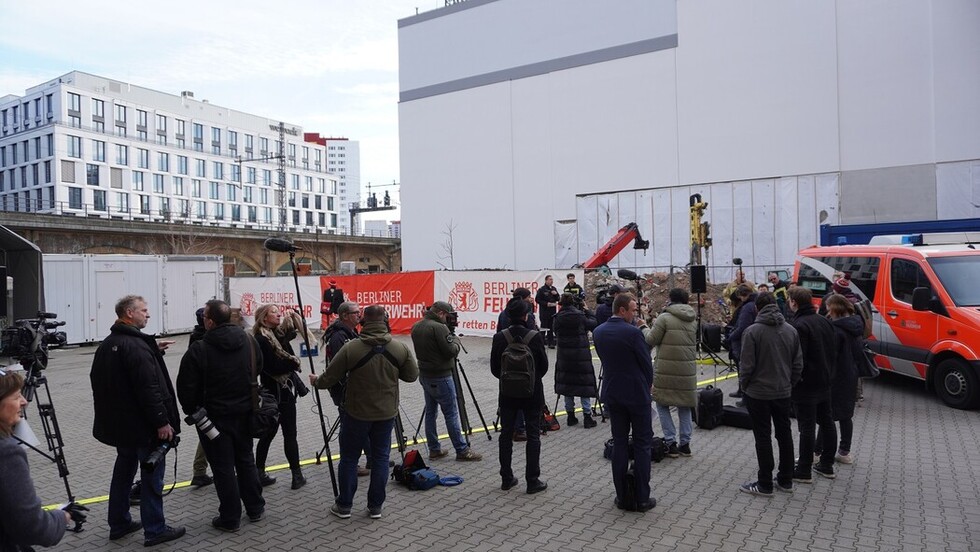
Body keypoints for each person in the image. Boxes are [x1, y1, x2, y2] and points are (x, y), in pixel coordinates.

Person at [90, 295, 185, 546]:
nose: (148, 314)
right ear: (129, 313)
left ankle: (119, 523)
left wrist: (153, 352)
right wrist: (162, 422)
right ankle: (155, 529)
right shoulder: (135, 347)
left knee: (123, 474)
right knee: (152, 476)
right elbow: (148, 389)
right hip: (144, 427)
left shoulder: (109, 344)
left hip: (123, 428)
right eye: (144, 310)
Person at [310, 305, 419, 519]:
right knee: (380, 458)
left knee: (349, 458)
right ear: (385, 321)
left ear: (363, 322)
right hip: (386, 413)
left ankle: (344, 506)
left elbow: (330, 377)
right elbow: (412, 376)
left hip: (356, 413)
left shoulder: (352, 348)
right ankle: (375, 506)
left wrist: (316, 382)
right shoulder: (399, 348)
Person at [176, 300, 266, 532]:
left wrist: (194, 411)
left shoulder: (199, 348)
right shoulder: (249, 340)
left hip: (214, 419)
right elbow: (259, 368)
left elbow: (186, 388)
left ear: (209, 321)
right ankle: (255, 508)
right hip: (245, 413)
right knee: (245, 459)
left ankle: (229, 517)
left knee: (223, 467)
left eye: (205, 316)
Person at [0, 369, 77, 551]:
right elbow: (31, 527)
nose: (25, 402)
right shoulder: (6, 452)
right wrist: (62, 517)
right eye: (17, 396)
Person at [592, 294, 655, 512]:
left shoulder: (598, 332)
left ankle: (622, 496)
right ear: (621, 311)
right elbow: (646, 364)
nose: (635, 314)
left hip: (613, 393)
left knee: (619, 443)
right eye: (633, 310)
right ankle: (642, 497)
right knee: (642, 444)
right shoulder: (633, 333)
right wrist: (648, 385)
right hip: (636, 394)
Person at [738, 293, 803, 497]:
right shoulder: (791, 330)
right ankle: (786, 479)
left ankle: (765, 482)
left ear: (757, 308)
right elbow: (798, 364)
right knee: (784, 435)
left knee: (763, 436)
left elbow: (746, 365)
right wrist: (788, 384)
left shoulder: (752, 332)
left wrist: (744, 386)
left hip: (758, 393)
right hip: (783, 392)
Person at [491, 300, 549, 494]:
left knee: (506, 435)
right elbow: (543, 367)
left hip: (507, 394)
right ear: (526, 316)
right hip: (532, 394)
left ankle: (506, 478)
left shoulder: (500, 337)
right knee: (533, 435)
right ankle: (532, 480)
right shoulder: (534, 337)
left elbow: (494, 369)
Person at [412, 301, 482, 461]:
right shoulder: (439, 328)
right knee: (451, 413)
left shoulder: (417, 325)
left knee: (430, 413)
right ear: (442, 313)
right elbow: (450, 351)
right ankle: (462, 449)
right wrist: (455, 340)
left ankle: (434, 448)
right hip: (441, 375)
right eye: (448, 316)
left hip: (425, 374)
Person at [252, 304, 307, 489]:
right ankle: (259, 472)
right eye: (273, 312)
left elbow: (290, 342)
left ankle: (296, 475)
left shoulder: (277, 335)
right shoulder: (261, 339)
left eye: (278, 311)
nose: (278, 315)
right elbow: (272, 366)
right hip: (273, 393)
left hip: (283, 391)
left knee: (288, 434)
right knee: (271, 433)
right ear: (264, 318)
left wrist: (295, 318)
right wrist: (291, 364)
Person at [786, 286, 838, 483]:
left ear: (794, 302)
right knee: (827, 422)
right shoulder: (825, 321)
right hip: (825, 380)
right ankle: (826, 464)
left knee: (806, 426)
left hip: (806, 383)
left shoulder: (799, 325)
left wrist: (794, 381)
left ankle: (804, 469)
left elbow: (799, 358)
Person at [644, 288, 698, 458]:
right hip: (687, 370)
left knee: (662, 403)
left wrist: (643, 327)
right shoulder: (692, 319)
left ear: (670, 299)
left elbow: (651, 339)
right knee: (685, 404)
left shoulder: (664, 318)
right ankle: (685, 444)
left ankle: (671, 442)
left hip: (666, 370)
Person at [321, 301, 371, 477]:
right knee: (349, 428)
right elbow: (339, 366)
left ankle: (373, 457)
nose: (359, 315)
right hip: (344, 390)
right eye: (356, 312)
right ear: (344, 316)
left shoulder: (350, 332)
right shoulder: (338, 337)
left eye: (359, 312)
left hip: (353, 388)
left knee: (362, 425)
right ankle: (351, 463)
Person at [821, 294, 862, 465]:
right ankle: (844, 452)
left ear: (835, 308)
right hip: (851, 374)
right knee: (845, 415)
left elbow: (831, 356)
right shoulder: (856, 324)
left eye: (828, 307)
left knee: (826, 415)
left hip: (836, 376)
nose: (826, 311)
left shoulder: (836, 330)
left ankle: (817, 451)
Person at [552, 292, 598, 428]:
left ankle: (570, 416)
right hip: (581, 355)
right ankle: (587, 416)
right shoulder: (580, 316)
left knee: (567, 386)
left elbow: (555, 332)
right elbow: (594, 324)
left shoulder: (558, 317)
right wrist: (587, 310)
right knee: (584, 385)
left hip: (565, 356)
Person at [188, 307, 213, 489]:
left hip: (200, 395)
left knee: (208, 432)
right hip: (210, 395)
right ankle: (201, 471)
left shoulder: (195, 336)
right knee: (212, 433)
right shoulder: (206, 340)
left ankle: (199, 471)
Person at [728, 284, 758, 401]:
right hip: (749, 342)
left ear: (741, 295)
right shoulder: (755, 303)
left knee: (744, 370)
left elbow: (742, 327)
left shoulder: (747, 307)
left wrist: (730, 337)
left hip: (743, 344)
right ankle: (742, 391)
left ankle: (745, 397)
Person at [534, 275, 560, 348]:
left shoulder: (554, 289)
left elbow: (558, 298)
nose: (551, 281)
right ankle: (541, 343)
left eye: (552, 279)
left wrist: (556, 294)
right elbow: (537, 300)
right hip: (544, 311)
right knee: (544, 327)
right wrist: (546, 304)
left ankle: (551, 343)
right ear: (546, 281)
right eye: (550, 279)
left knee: (551, 327)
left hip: (552, 311)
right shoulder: (541, 290)